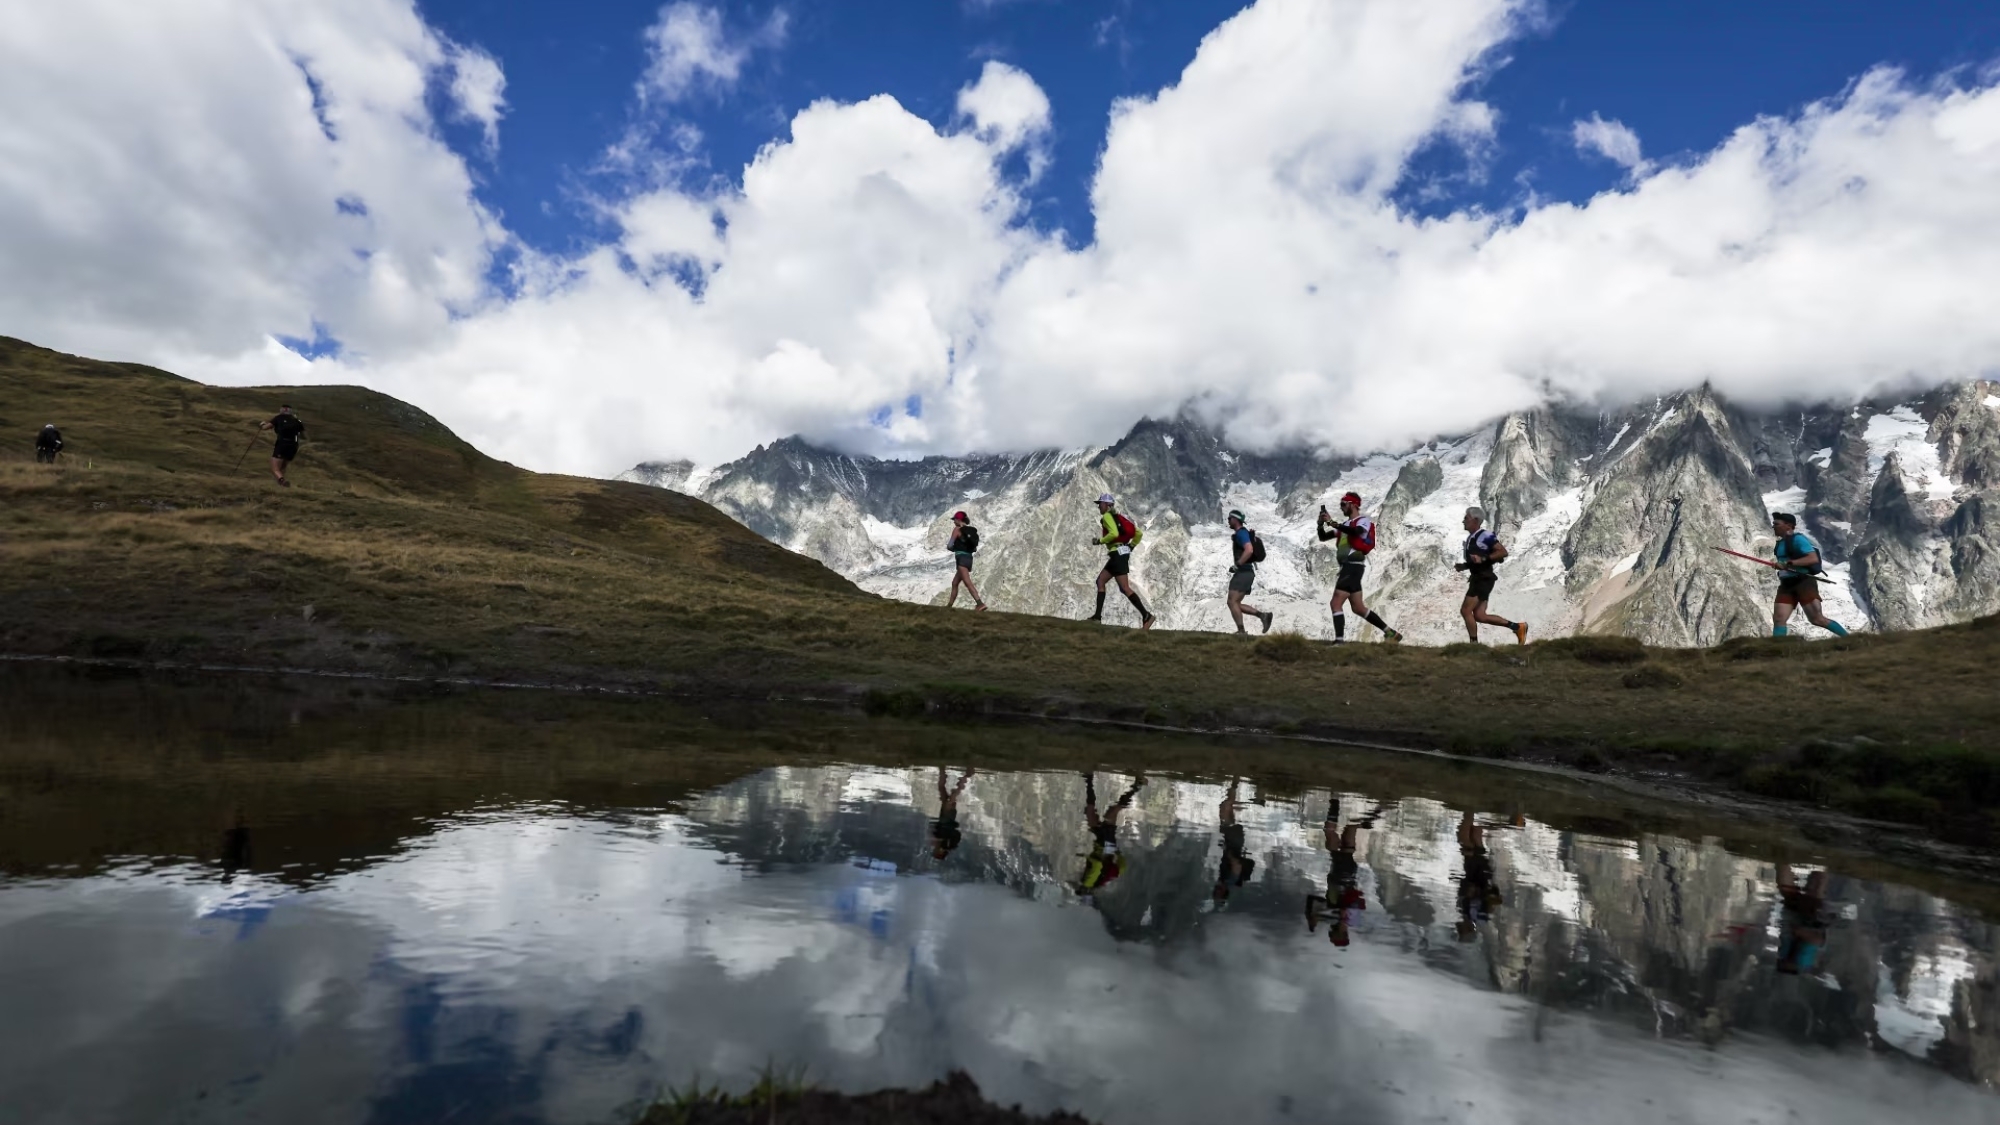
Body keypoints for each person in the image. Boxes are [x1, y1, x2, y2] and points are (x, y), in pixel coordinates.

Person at [1316, 491, 1402, 644]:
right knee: (1358, 608)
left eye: (1344, 504)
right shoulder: (1344, 526)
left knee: (1335, 603)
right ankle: (1390, 633)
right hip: (1349, 567)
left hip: (1353, 566)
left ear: (1353, 504)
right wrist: (1320, 524)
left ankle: (1339, 642)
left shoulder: (1363, 521)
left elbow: (1357, 532)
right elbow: (1323, 537)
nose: (1341, 507)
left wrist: (1332, 523)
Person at [1306, 799, 1381, 946]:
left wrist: (1315, 920)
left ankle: (1374, 814)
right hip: (1342, 874)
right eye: (1333, 934)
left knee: (1349, 830)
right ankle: (1335, 803)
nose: (1330, 932)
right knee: (1331, 833)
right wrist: (1318, 919)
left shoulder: (1341, 918)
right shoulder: (1346, 920)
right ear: (1340, 934)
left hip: (1347, 873)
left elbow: (1317, 903)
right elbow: (1344, 909)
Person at [1769, 513, 1850, 638]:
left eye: (1776, 524)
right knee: (1779, 619)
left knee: (1817, 619)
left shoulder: (1798, 539)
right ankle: (1777, 652)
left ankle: (1849, 639)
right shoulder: (1780, 544)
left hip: (1803, 582)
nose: (1773, 526)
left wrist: (1788, 563)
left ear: (1788, 526)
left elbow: (1812, 559)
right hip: (1786, 584)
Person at [1457, 507, 1528, 645]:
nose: (1463, 521)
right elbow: (1477, 560)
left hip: (1482, 578)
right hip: (1481, 577)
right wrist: (1464, 566)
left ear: (1475, 520)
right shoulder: (1471, 538)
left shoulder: (1484, 535)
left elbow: (1502, 552)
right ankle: (1518, 627)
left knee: (1465, 611)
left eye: (1466, 518)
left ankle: (1474, 646)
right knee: (1480, 615)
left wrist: (1483, 559)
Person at [1087, 493, 1155, 630]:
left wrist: (1099, 541)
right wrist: (1131, 546)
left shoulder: (1107, 516)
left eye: (1100, 504)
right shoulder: (1119, 518)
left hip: (1117, 555)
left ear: (1107, 505)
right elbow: (1139, 534)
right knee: (1101, 581)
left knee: (1124, 588)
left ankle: (1146, 615)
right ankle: (1097, 617)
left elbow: (1113, 534)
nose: (1098, 506)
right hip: (1121, 554)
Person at [1077, 771, 1145, 896]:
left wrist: (1117, 853)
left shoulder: (1101, 882)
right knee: (1109, 812)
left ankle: (1089, 780)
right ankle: (1137, 786)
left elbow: (1122, 866)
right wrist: (1086, 857)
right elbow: (1097, 865)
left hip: (1106, 845)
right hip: (1103, 843)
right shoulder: (1087, 882)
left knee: (1096, 812)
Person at [1774, 865, 1833, 975]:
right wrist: (1799, 931)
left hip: (1797, 920)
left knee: (1796, 893)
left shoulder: (1787, 955)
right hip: (1808, 919)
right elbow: (1817, 940)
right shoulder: (1803, 961)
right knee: (1814, 893)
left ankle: (1783, 860)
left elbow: (1816, 940)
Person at [1225, 509, 1275, 634]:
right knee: (1235, 603)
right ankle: (1263, 616)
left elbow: (1249, 550)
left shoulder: (1241, 533)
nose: (1228, 520)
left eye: (1230, 518)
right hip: (1247, 572)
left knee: (1232, 601)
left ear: (1236, 520)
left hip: (1243, 572)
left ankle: (1241, 631)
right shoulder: (1243, 533)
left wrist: (1238, 565)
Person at [1454, 810, 1502, 942]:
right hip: (1478, 874)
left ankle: (1473, 811)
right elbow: (1492, 898)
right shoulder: (1480, 915)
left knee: (1475, 836)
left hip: (1477, 872)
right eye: (1462, 929)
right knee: (1465, 838)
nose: (1460, 926)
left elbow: (1464, 891)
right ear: (1469, 929)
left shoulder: (1467, 912)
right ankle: (1469, 809)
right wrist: (1477, 892)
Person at [1211, 779, 1256, 906]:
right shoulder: (1229, 881)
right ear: (1223, 892)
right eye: (1217, 893)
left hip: (1233, 841)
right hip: (1234, 841)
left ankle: (1234, 784)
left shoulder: (1225, 881)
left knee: (1226, 809)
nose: (1215, 891)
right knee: (1225, 808)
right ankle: (1235, 783)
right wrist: (1228, 853)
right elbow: (1237, 866)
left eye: (1215, 893)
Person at [943, 511, 988, 611]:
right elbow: (974, 548)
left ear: (959, 520)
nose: (954, 522)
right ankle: (949, 607)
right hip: (969, 559)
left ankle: (980, 603)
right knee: (955, 583)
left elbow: (950, 545)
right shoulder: (970, 531)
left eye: (954, 520)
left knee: (967, 582)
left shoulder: (957, 529)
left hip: (961, 559)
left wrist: (955, 549)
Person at [929, 767, 975, 861]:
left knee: (942, 791)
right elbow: (955, 833)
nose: (935, 849)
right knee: (950, 799)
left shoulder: (947, 844)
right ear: (940, 852)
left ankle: (943, 770)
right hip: (948, 818)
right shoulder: (948, 844)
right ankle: (966, 777)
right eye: (935, 851)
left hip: (943, 817)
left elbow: (935, 830)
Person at [259, 404, 306, 487]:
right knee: (283, 467)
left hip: (282, 444)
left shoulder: (278, 418)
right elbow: (303, 436)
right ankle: (280, 486)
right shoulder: (297, 421)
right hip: (293, 445)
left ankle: (282, 480)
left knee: (275, 467)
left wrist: (262, 424)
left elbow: (265, 428)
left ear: (281, 410)